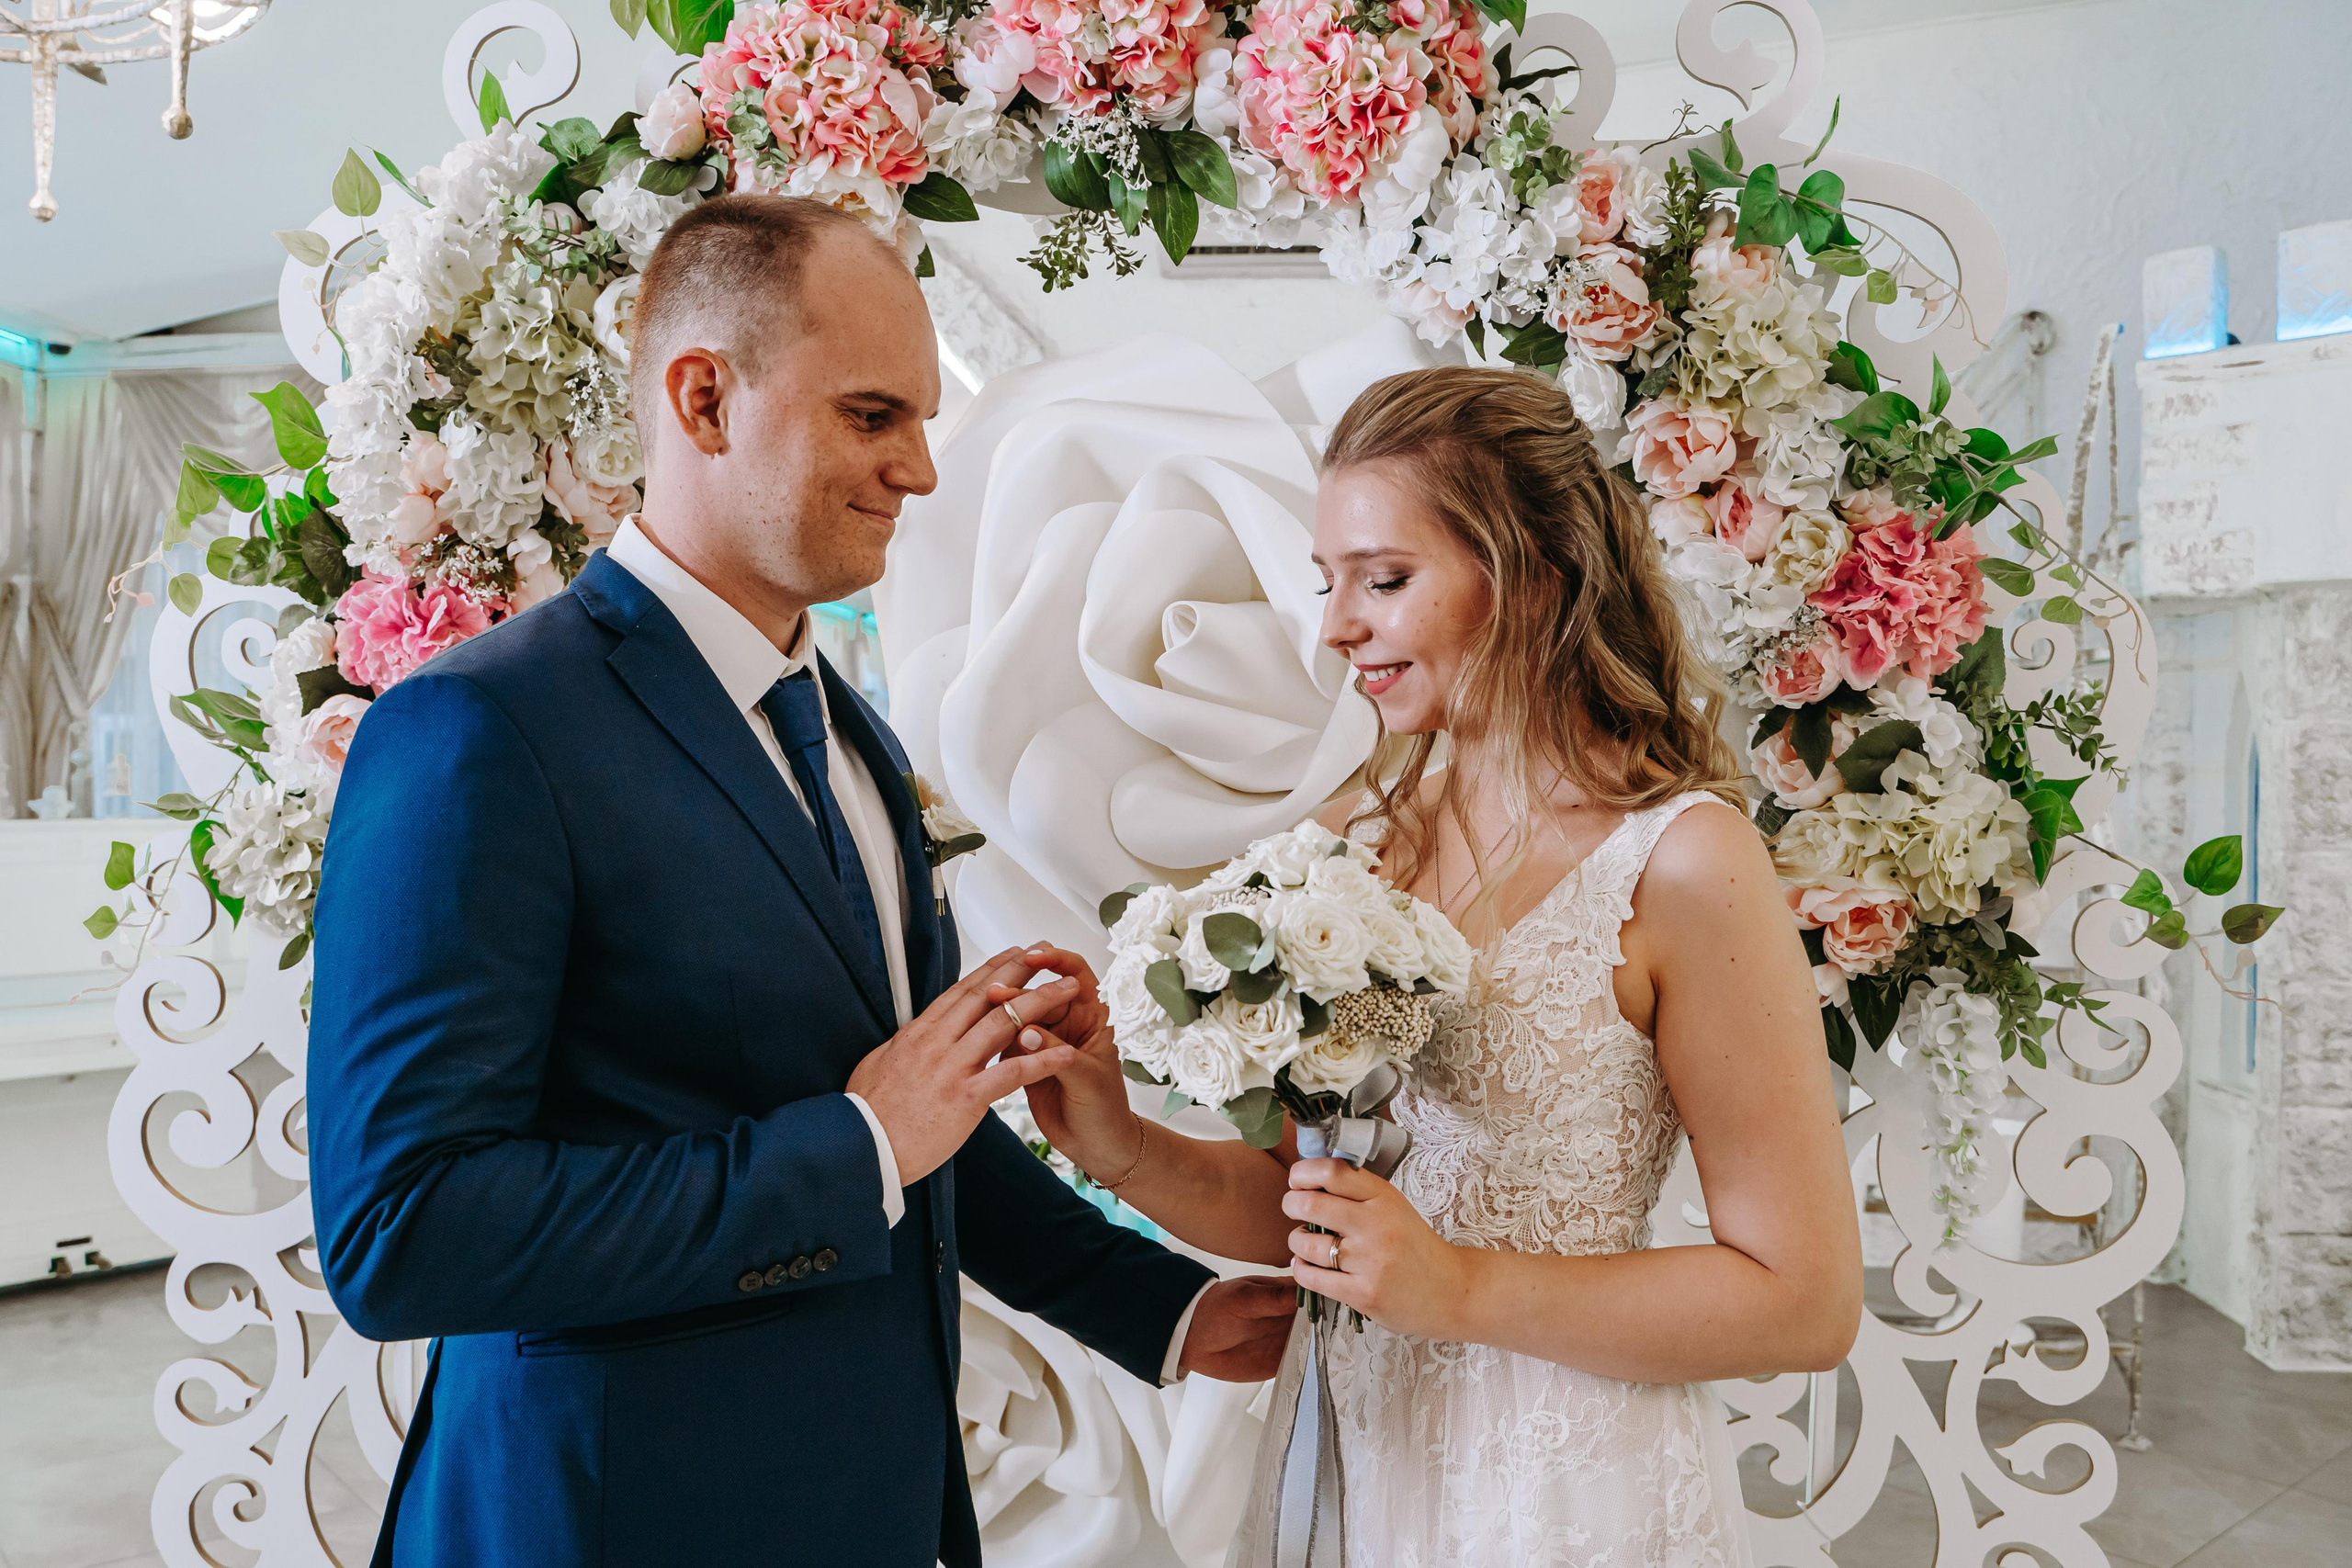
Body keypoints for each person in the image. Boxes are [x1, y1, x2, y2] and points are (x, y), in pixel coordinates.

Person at [306, 193, 1294, 1568]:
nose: (922, 470)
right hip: (604, 1522)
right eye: (874, 416)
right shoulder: (480, 731)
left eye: (921, 421)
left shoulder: (854, 736)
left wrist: (1165, 1309)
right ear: (704, 400)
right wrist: (859, 1141)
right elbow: (404, 1234)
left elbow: (907, 1131)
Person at [1009, 367, 1864, 1565]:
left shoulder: (1683, 862)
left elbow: (1804, 1302)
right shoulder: (1359, 846)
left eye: (1384, 579)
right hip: (1361, 1461)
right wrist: (1120, 1143)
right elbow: (1311, 1207)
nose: (1335, 627)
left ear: (1533, 573)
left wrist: (1457, 1288)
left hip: (1563, 1489)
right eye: (1330, 582)